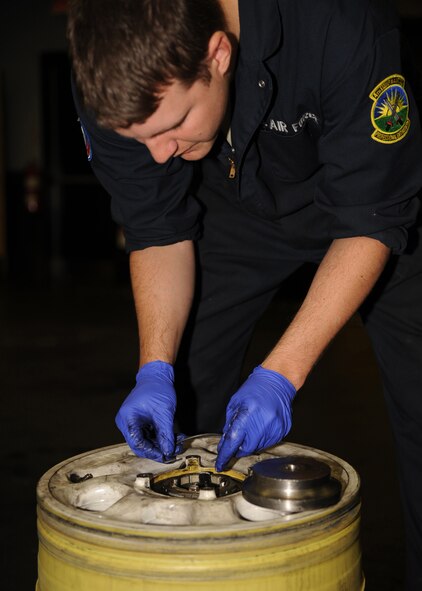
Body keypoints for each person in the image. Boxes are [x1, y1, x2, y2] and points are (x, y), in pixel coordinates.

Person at [67, 0, 422, 588]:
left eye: (171, 127)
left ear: (218, 54)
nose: (158, 154)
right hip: (235, 200)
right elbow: (157, 230)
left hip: (374, 203)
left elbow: (371, 219)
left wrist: (281, 374)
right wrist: (154, 367)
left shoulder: (339, 25)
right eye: (142, 139)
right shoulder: (114, 71)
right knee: (186, 396)